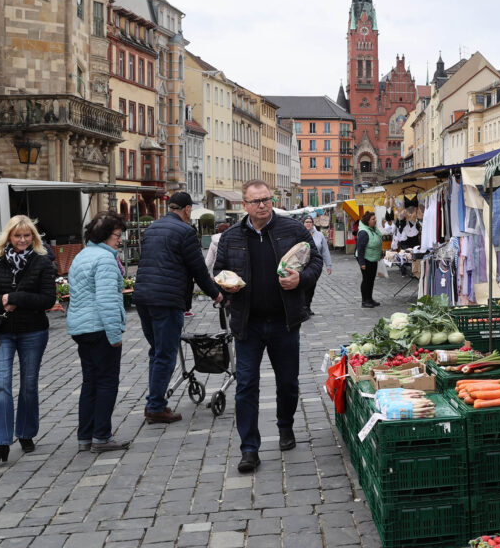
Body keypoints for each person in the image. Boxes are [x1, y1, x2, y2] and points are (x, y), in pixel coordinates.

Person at [213, 180, 323, 474]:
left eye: (266, 199)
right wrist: (226, 285)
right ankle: (249, 448)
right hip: (247, 323)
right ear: (244, 206)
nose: (262, 205)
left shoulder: (293, 230)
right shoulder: (231, 237)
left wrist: (301, 280)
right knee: (246, 386)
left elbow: (315, 260)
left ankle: (285, 426)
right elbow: (219, 270)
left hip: (284, 322)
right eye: (256, 201)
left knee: (288, 383)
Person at [133, 191, 223, 424]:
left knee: (157, 351)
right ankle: (155, 407)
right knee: (165, 353)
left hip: (143, 297)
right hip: (166, 299)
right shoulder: (185, 231)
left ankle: (154, 400)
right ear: (185, 210)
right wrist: (216, 294)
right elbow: (198, 269)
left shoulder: (151, 228)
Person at [0, 215, 58, 463]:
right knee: (1, 385)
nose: (22, 240)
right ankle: (0, 442)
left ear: (33, 237)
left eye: (27, 235)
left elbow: (48, 299)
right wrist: (0, 301)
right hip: (1, 331)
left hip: (33, 330)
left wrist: (15, 298)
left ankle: (26, 432)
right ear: (9, 237)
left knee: (29, 385)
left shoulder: (43, 262)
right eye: (18, 236)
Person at [66, 211, 130, 453]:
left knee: (90, 382)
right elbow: (107, 301)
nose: (120, 239)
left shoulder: (82, 256)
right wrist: (115, 336)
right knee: (106, 383)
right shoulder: (104, 260)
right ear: (104, 236)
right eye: (116, 235)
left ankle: (86, 436)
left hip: (82, 328)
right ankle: (101, 436)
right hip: (100, 328)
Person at [302, 216, 332, 315]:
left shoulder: (319, 235)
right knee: (303, 286)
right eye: (306, 222)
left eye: (310, 222)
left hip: (315, 264)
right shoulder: (299, 234)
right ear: (303, 223)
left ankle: (308, 306)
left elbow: (325, 250)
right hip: (302, 265)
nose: (308, 224)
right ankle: (303, 306)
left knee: (312, 286)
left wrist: (329, 265)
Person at [355, 210, 383, 308]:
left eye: (375, 218)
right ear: (368, 221)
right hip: (365, 259)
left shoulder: (373, 229)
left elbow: (378, 241)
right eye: (373, 219)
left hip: (373, 258)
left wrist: (380, 253)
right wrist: (362, 263)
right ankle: (364, 301)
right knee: (366, 280)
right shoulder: (364, 232)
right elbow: (360, 249)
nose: (375, 220)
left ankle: (370, 299)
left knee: (371, 279)